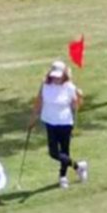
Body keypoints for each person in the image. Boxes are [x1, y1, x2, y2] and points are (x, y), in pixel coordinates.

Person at [29, 61, 88, 189]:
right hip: (50, 122)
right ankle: (78, 167)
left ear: (64, 75)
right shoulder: (45, 86)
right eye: (54, 75)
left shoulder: (69, 87)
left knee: (64, 151)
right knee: (54, 153)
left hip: (65, 123)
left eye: (59, 76)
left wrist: (79, 97)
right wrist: (33, 119)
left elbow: (75, 106)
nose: (56, 78)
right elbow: (38, 102)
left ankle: (63, 176)